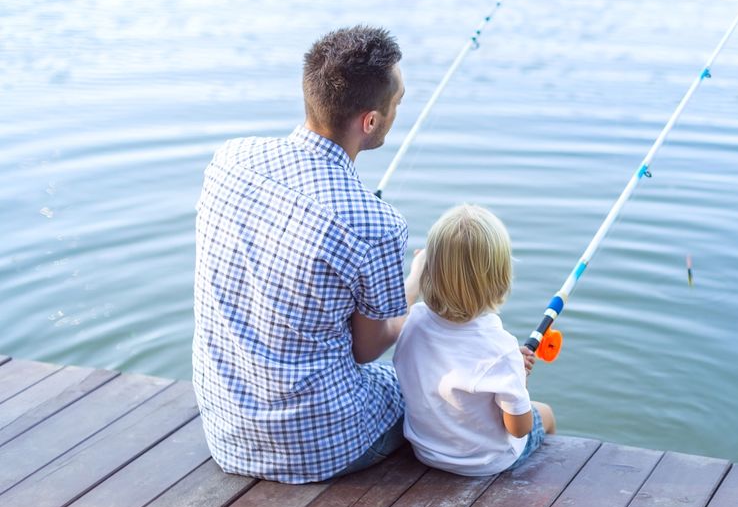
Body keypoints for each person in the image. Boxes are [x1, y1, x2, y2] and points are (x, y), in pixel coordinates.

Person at [193, 25, 420, 483]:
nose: (398, 111)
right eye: (397, 104)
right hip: (320, 447)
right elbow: (367, 348)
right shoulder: (377, 225)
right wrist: (416, 289)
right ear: (371, 121)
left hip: (226, 430)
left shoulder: (229, 160)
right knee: (432, 391)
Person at [394, 204, 556, 476]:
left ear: (430, 272)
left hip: (425, 450)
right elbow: (519, 428)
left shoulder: (412, 321)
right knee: (546, 414)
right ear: (501, 278)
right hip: (484, 462)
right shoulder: (500, 348)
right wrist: (520, 381)